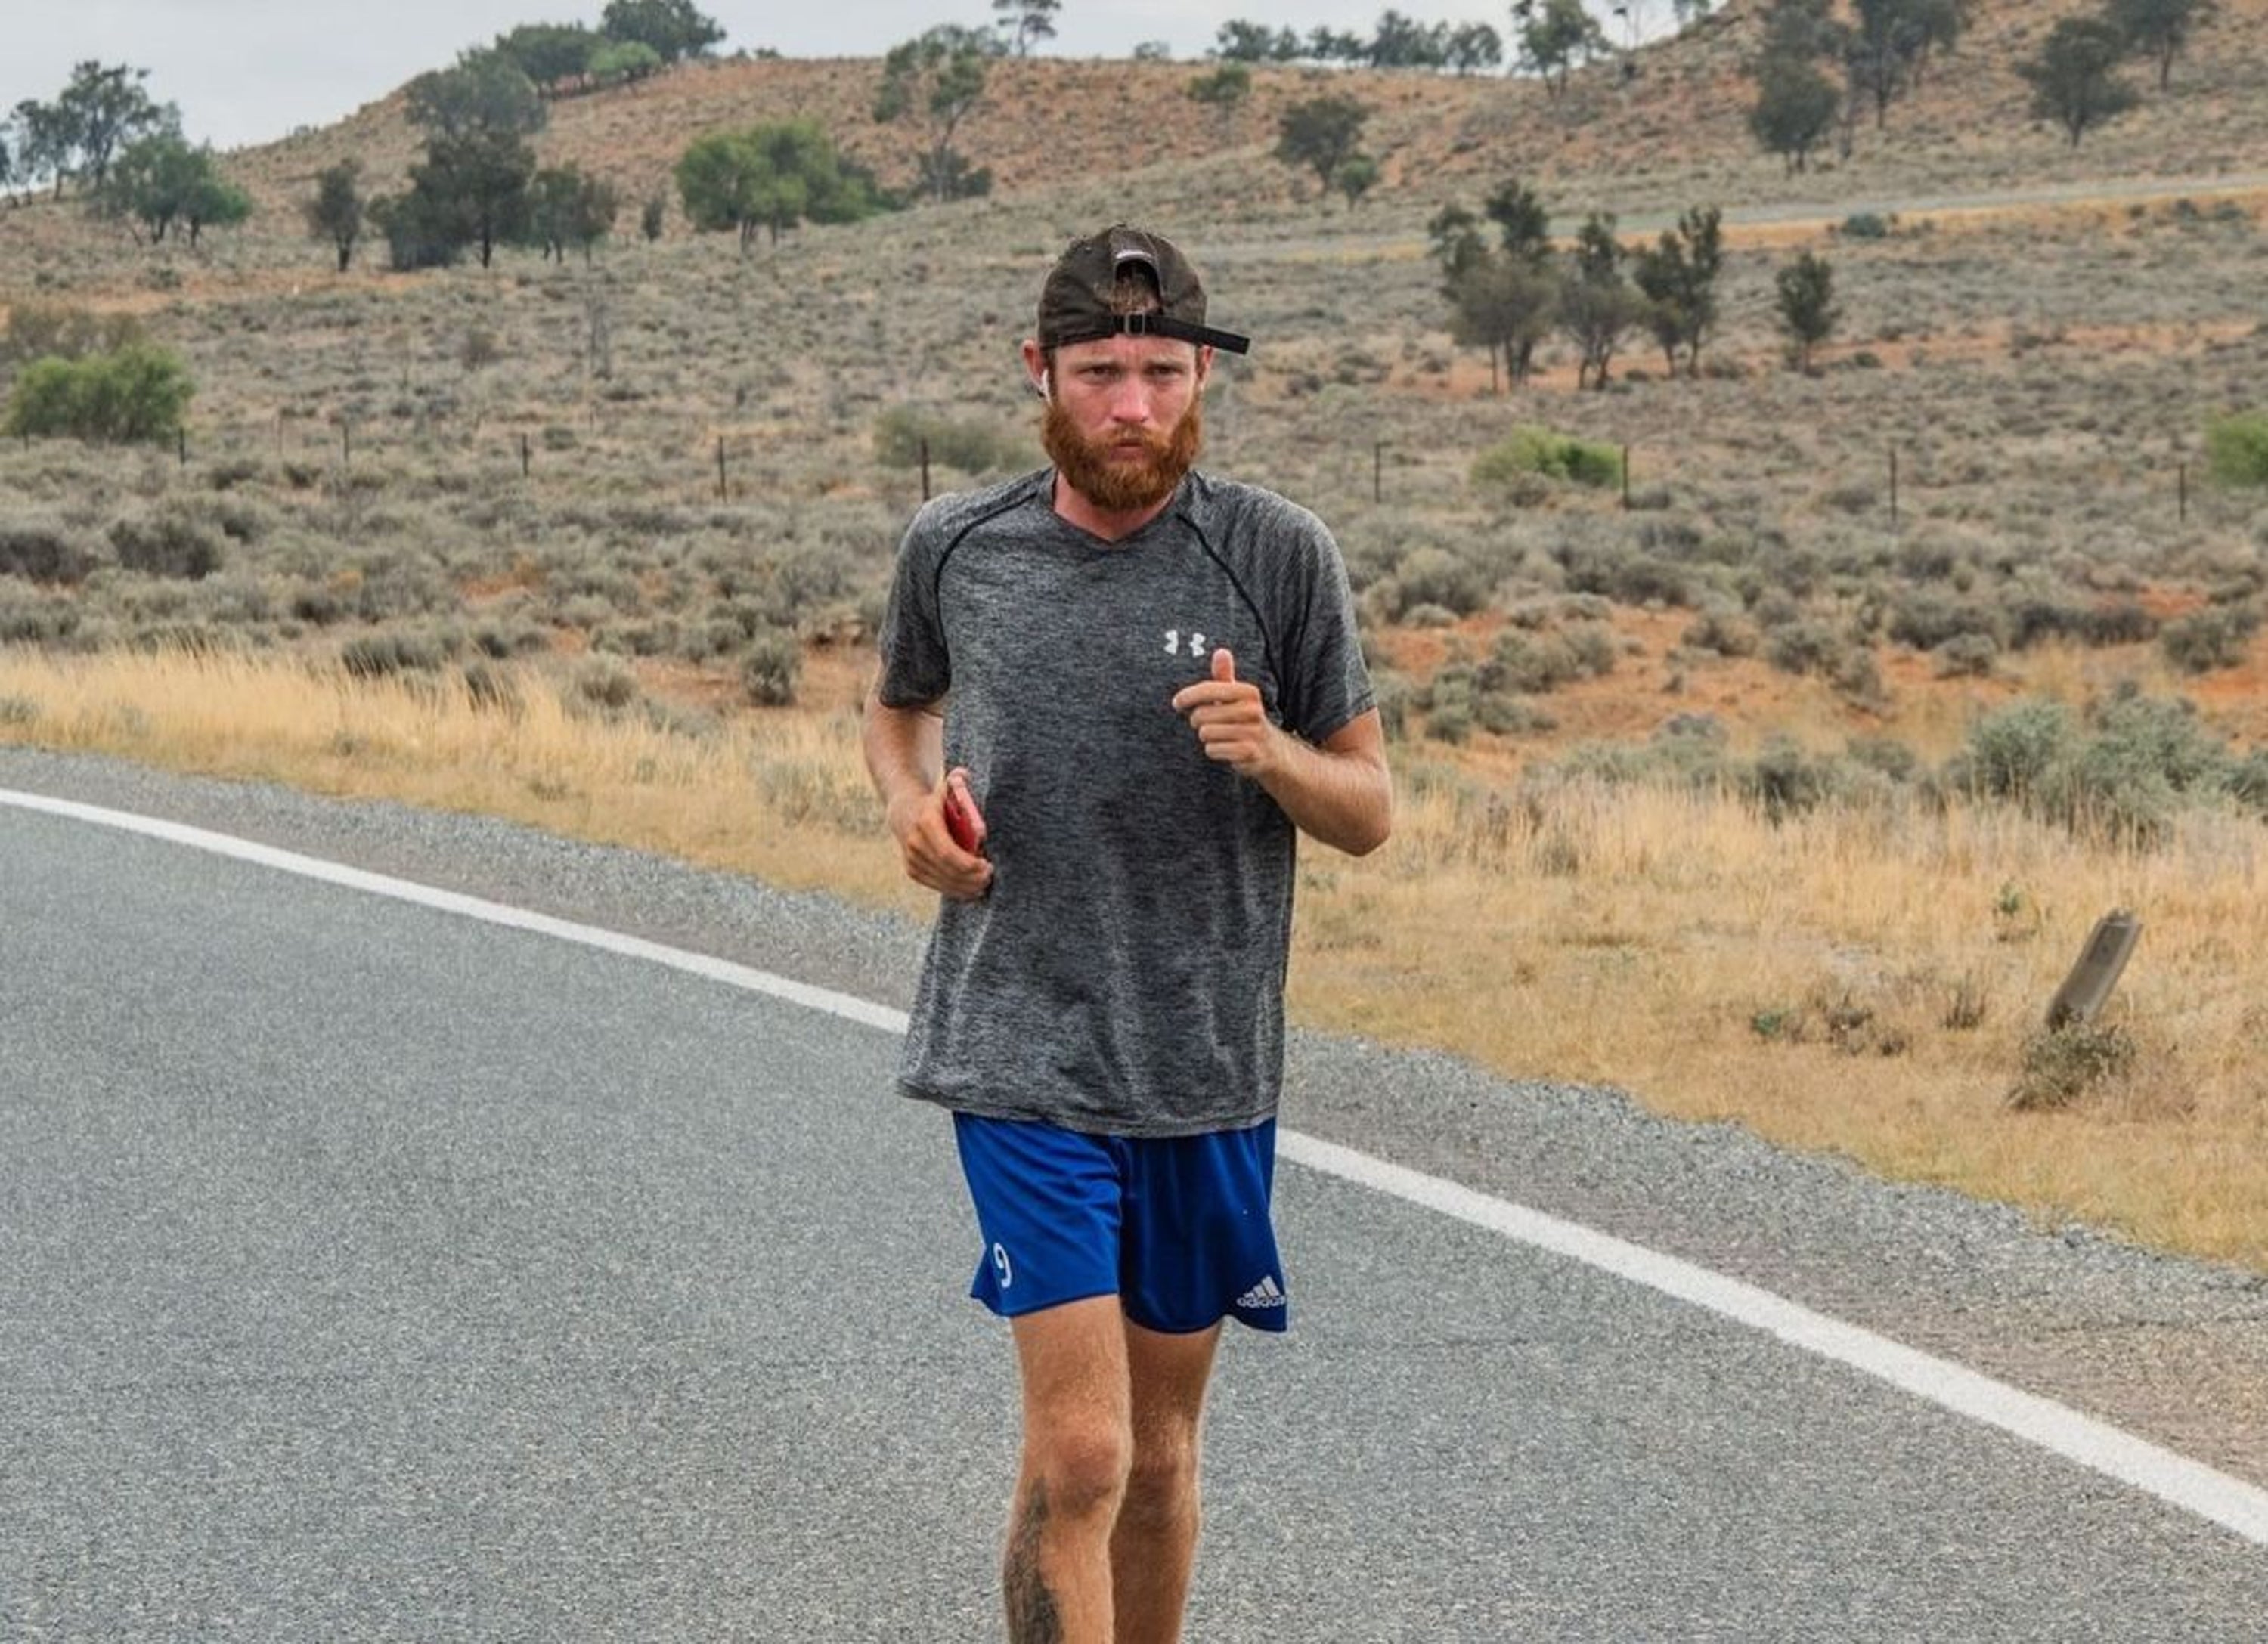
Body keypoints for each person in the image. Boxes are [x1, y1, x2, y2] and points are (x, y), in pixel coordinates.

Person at [862, 224, 1392, 1643]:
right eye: (1101, 370)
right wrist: (912, 811)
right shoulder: (959, 546)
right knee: (1086, 1450)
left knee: (1158, 1462)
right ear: (1041, 369)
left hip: (1204, 1060)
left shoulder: (1279, 555)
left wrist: (1273, 753)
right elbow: (896, 710)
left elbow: (1370, 810)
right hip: (1020, 1039)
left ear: (1202, 373)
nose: (1133, 405)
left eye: (1162, 370)